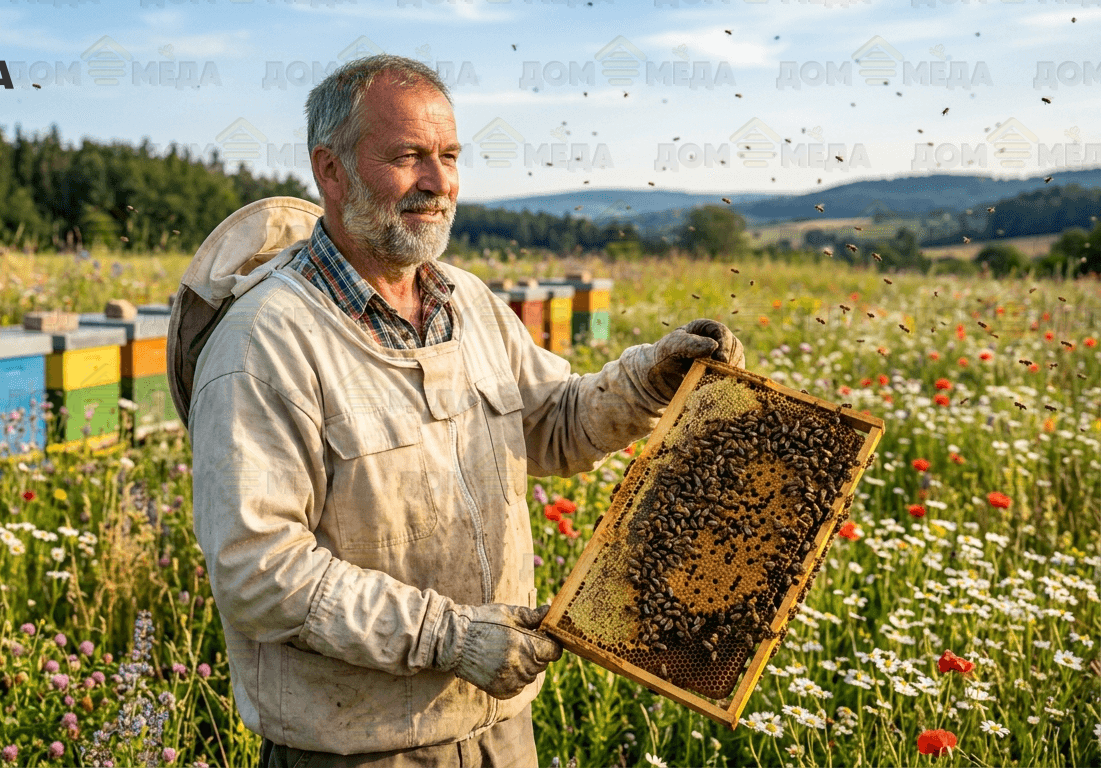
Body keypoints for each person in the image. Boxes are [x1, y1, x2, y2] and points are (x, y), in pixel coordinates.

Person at [185, 54, 745, 767]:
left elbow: (553, 423)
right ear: (331, 170)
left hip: (502, 734)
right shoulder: (266, 339)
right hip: (360, 749)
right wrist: (448, 637)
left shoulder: (469, 303)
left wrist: (649, 381)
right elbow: (258, 570)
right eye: (409, 157)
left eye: (449, 156)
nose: (439, 182)